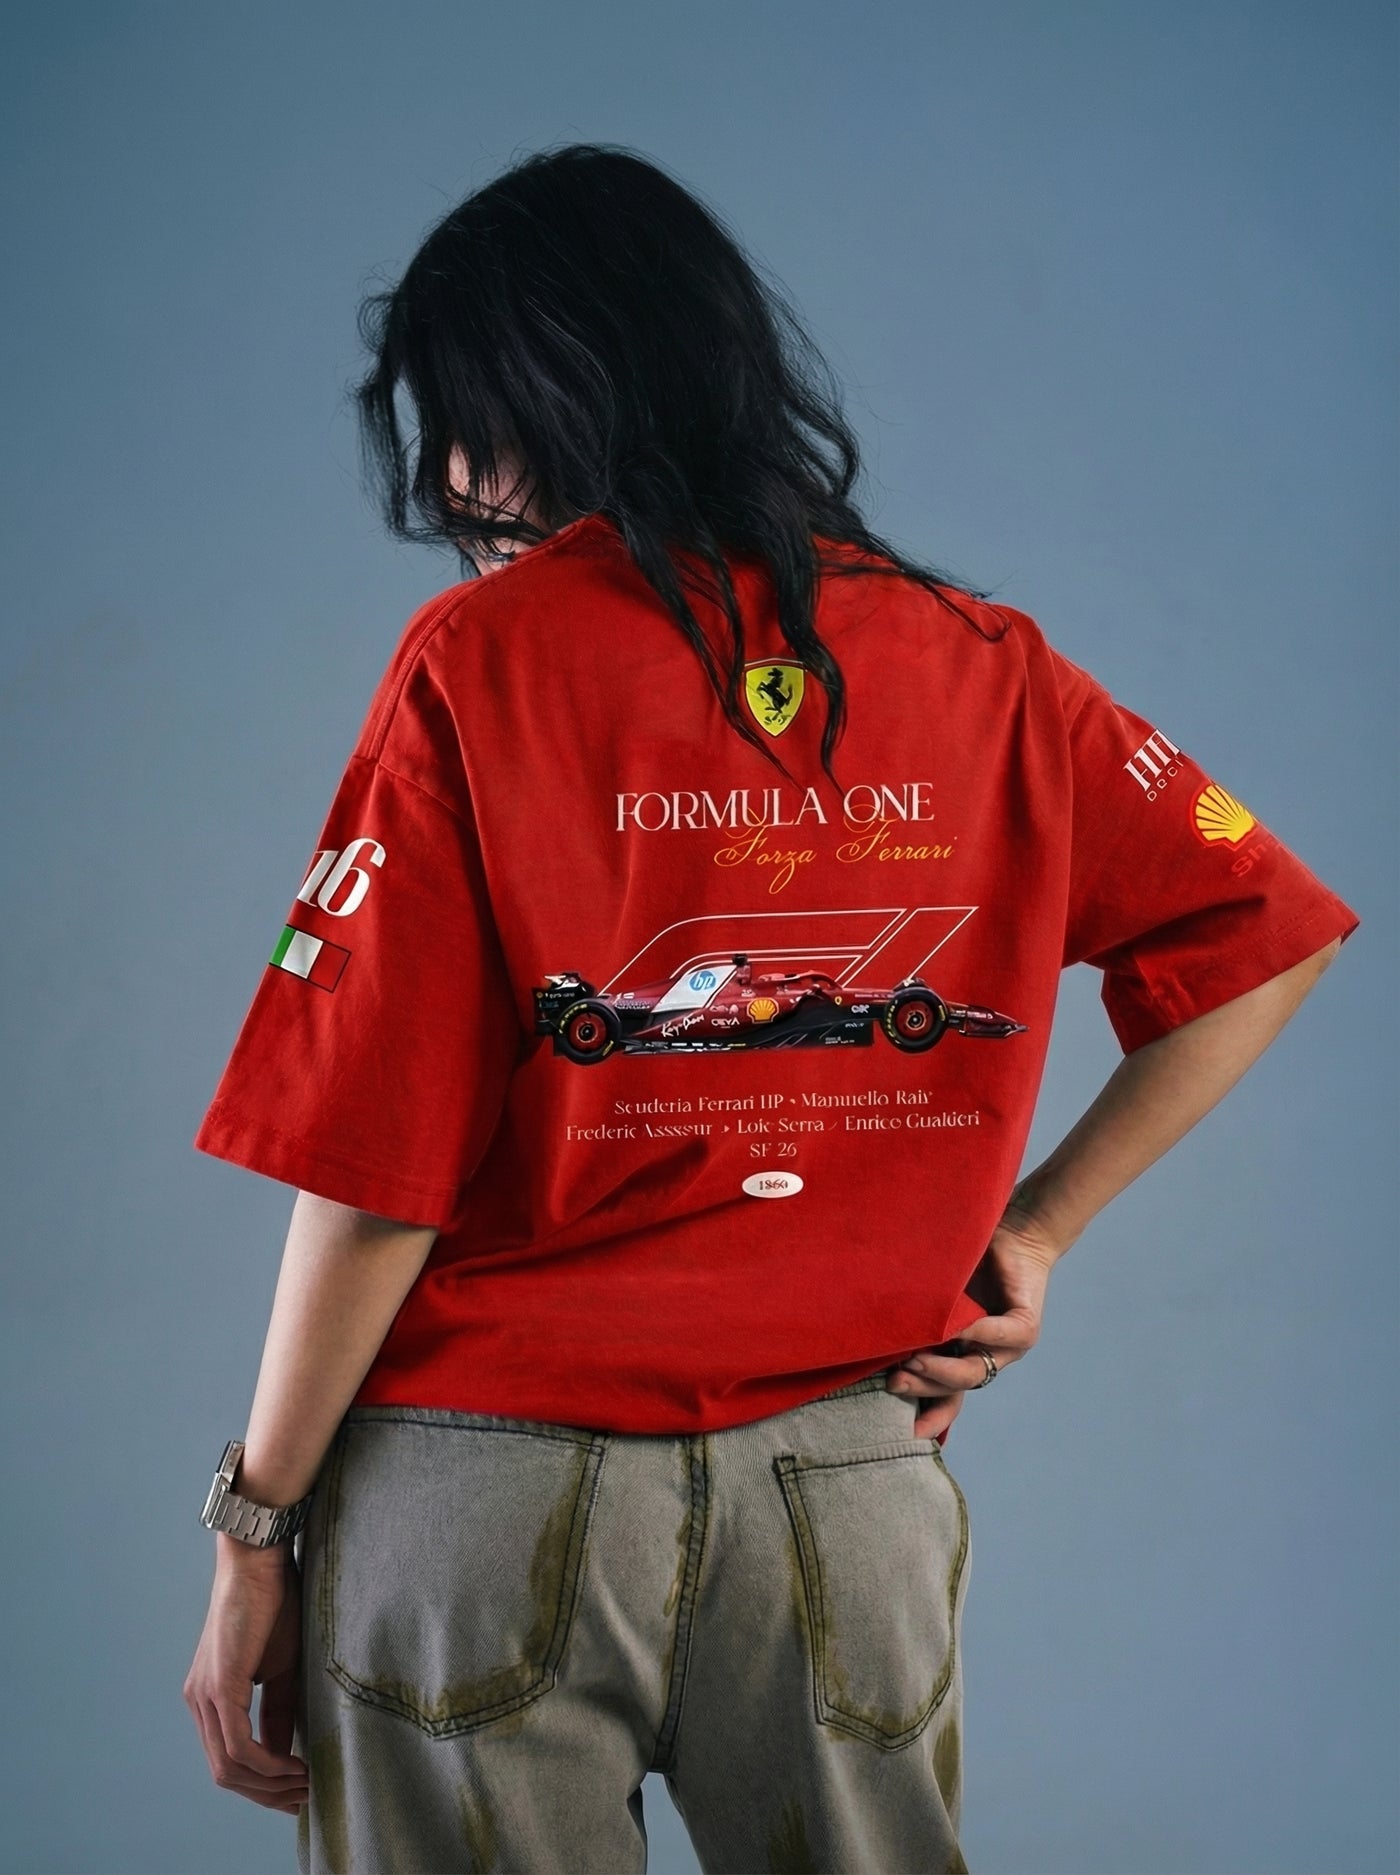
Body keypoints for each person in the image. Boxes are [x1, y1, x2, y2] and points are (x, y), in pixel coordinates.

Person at [181, 142, 1361, 1875]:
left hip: (487, 1492)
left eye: (461, 424)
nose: (453, 482)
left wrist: (257, 1521)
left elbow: (376, 1168)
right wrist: (1036, 1232)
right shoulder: (989, 661)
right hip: (848, 1490)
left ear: (539, 399)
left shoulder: (480, 661)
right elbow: (1270, 929)